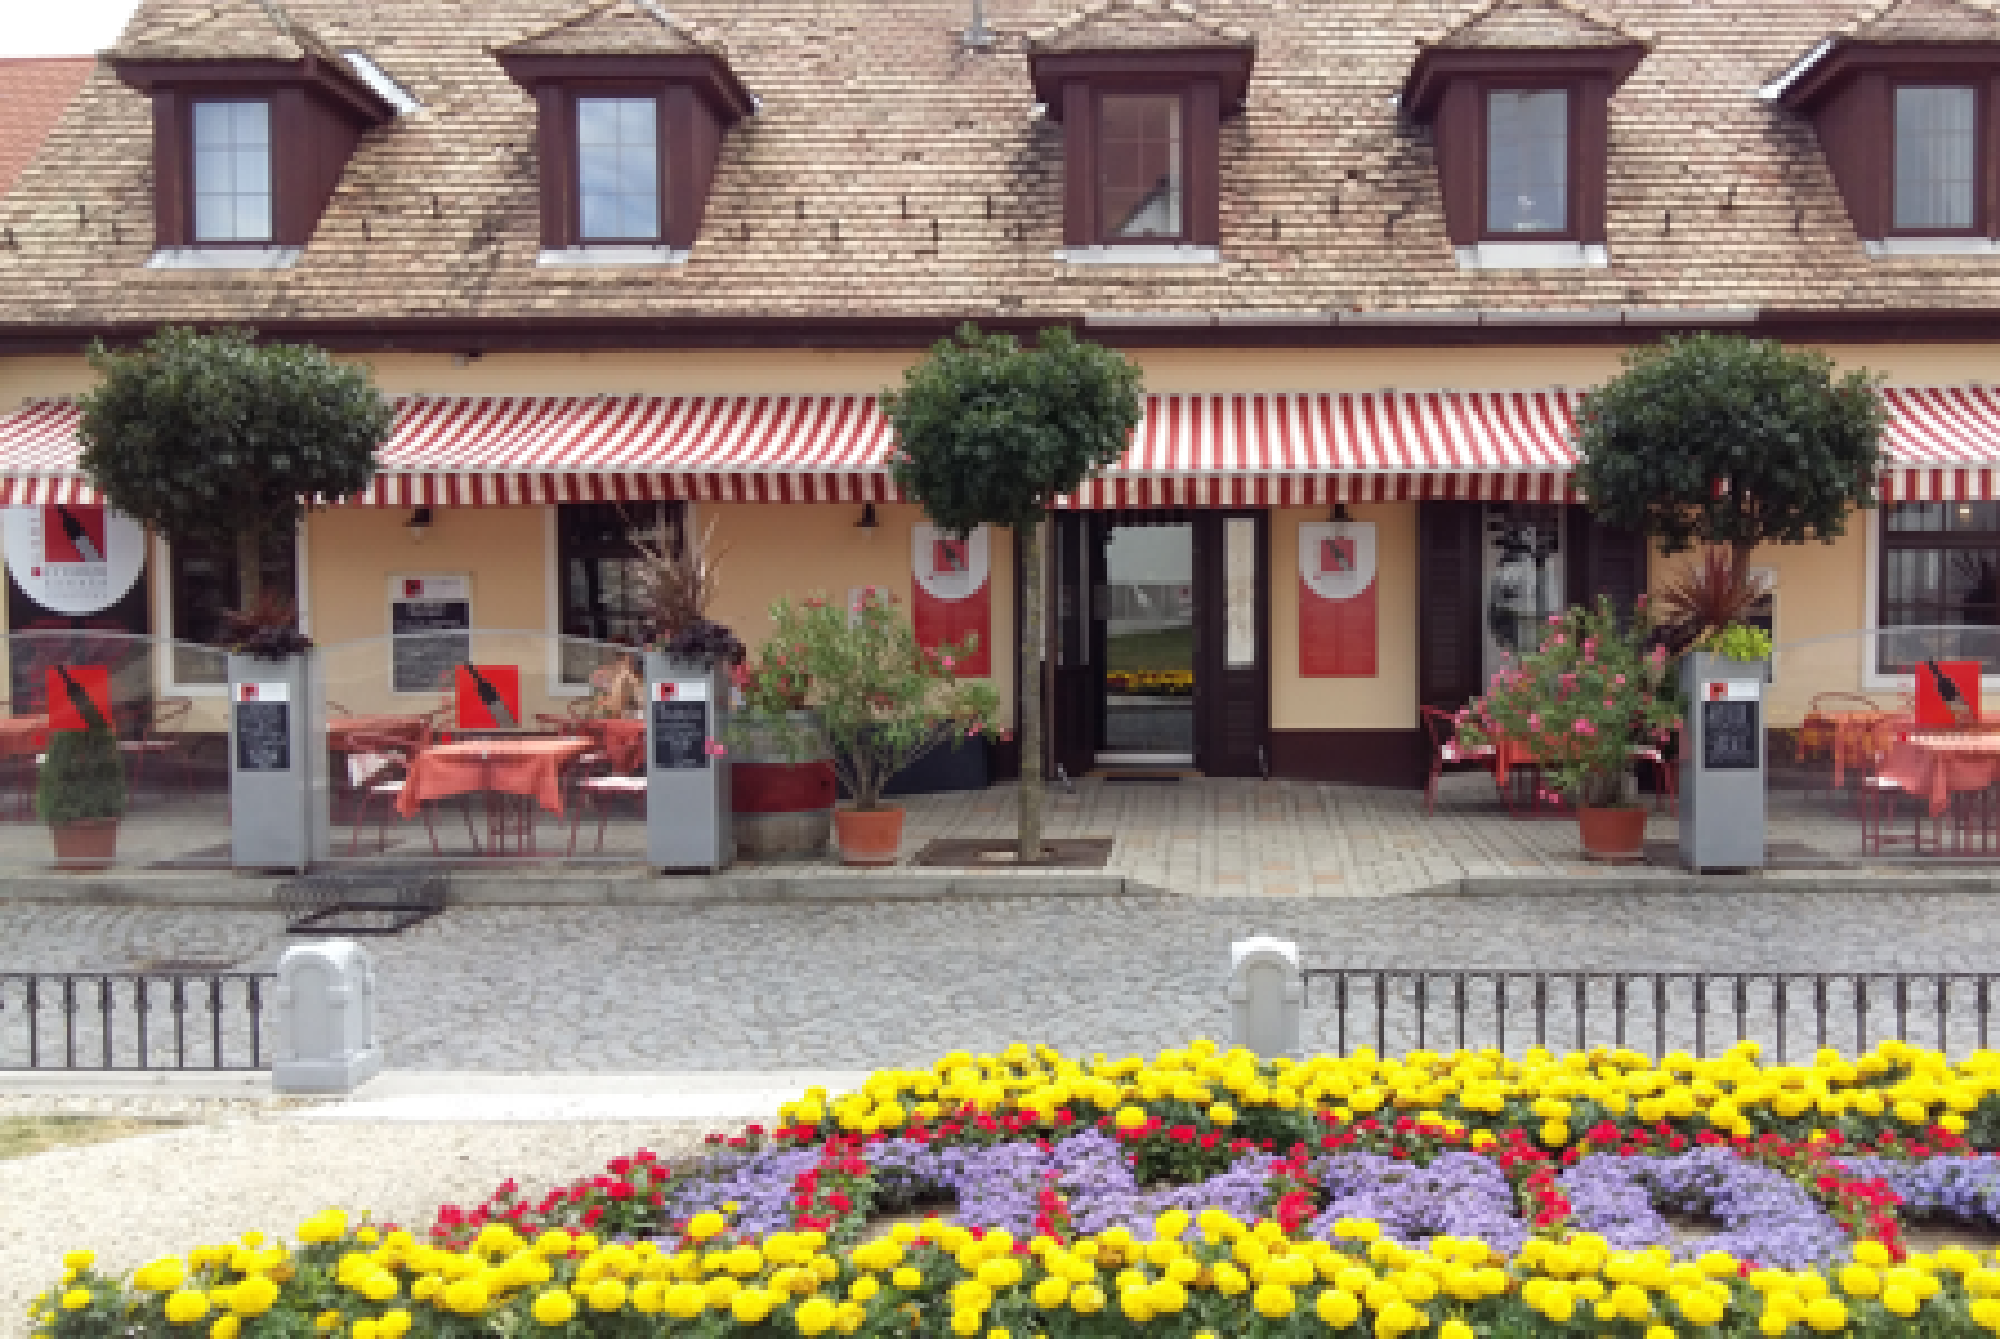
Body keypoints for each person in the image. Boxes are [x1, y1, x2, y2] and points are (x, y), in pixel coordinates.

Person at [589, 652, 642, 718]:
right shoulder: (624, 675)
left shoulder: (626, 675)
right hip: (612, 711)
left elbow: (637, 698)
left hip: (613, 711)